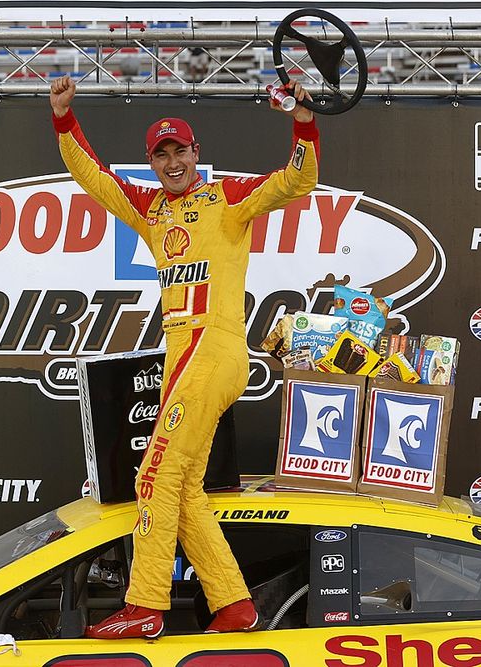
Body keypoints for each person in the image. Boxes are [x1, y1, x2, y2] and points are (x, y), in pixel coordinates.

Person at [50, 74, 319, 639]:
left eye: (181, 150)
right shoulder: (150, 211)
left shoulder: (228, 199)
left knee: (153, 477)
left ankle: (146, 606)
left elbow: (299, 181)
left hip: (214, 348)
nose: (173, 161)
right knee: (184, 486)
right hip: (184, 355)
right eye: (161, 154)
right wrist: (64, 120)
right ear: (153, 162)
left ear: (198, 153)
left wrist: (301, 122)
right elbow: (93, 179)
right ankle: (234, 602)